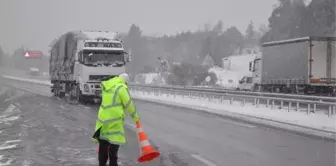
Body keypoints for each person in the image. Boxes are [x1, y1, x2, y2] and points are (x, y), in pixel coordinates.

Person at [92, 73, 139, 166]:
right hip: (114, 121)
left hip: (103, 121)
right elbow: (129, 104)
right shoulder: (121, 88)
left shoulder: (108, 86)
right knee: (113, 150)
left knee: (103, 147)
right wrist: (136, 118)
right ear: (125, 81)